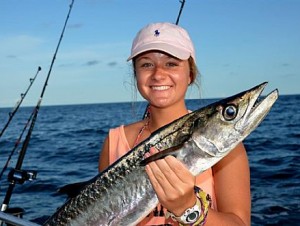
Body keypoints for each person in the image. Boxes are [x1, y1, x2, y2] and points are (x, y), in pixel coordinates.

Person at [98, 22, 251, 226]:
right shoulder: (114, 141)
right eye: (146, 64)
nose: (158, 74)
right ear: (136, 75)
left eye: (171, 63)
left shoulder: (227, 145)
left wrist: (189, 207)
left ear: (190, 74)